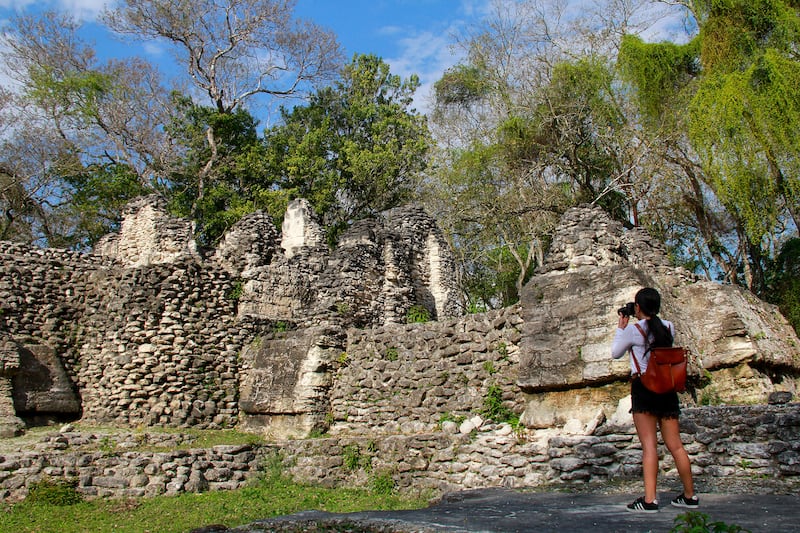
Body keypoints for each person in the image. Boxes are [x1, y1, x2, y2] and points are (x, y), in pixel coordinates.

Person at [611, 287, 698, 513]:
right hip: (667, 388)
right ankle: (690, 495)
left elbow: (616, 353)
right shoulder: (669, 327)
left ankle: (650, 500)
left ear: (638, 307)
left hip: (644, 388)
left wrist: (621, 329)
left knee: (649, 447)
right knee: (676, 445)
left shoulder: (633, 330)